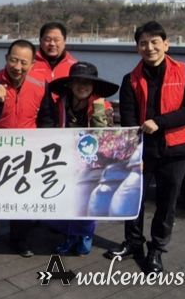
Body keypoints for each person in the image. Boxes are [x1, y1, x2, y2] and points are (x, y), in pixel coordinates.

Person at [105, 21, 185, 274]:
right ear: (137, 48)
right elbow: (128, 118)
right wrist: (131, 149)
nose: (149, 48)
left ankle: (157, 249)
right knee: (133, 199)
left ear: (166, 44)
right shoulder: (130, 79)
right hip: (142, 150)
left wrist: (159, 122)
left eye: (155, 42)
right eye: (143, 43)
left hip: (176, 150)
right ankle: (133, 242)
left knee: (167, 202)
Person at [0, 39, 56, 257]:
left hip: (27, 151)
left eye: (24, 62)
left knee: (23, 198)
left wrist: (44, 147)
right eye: (13, 60)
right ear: (6, 59)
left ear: (32, 64)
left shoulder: (41, 84)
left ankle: (20, 240)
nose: (18, 67)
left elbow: (47, 118)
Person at [47, 61, 119, 255]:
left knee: (87, 200)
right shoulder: (60, 103)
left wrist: (98, 111)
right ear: (70, 84)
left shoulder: (103, 105)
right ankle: (69, 236)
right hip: (65, 158)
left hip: (91, 160)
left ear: (93, 86)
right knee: (67, 199)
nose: (82, 86)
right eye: (78, 81)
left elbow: (104, 137)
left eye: (87, 82)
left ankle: (85, 235)